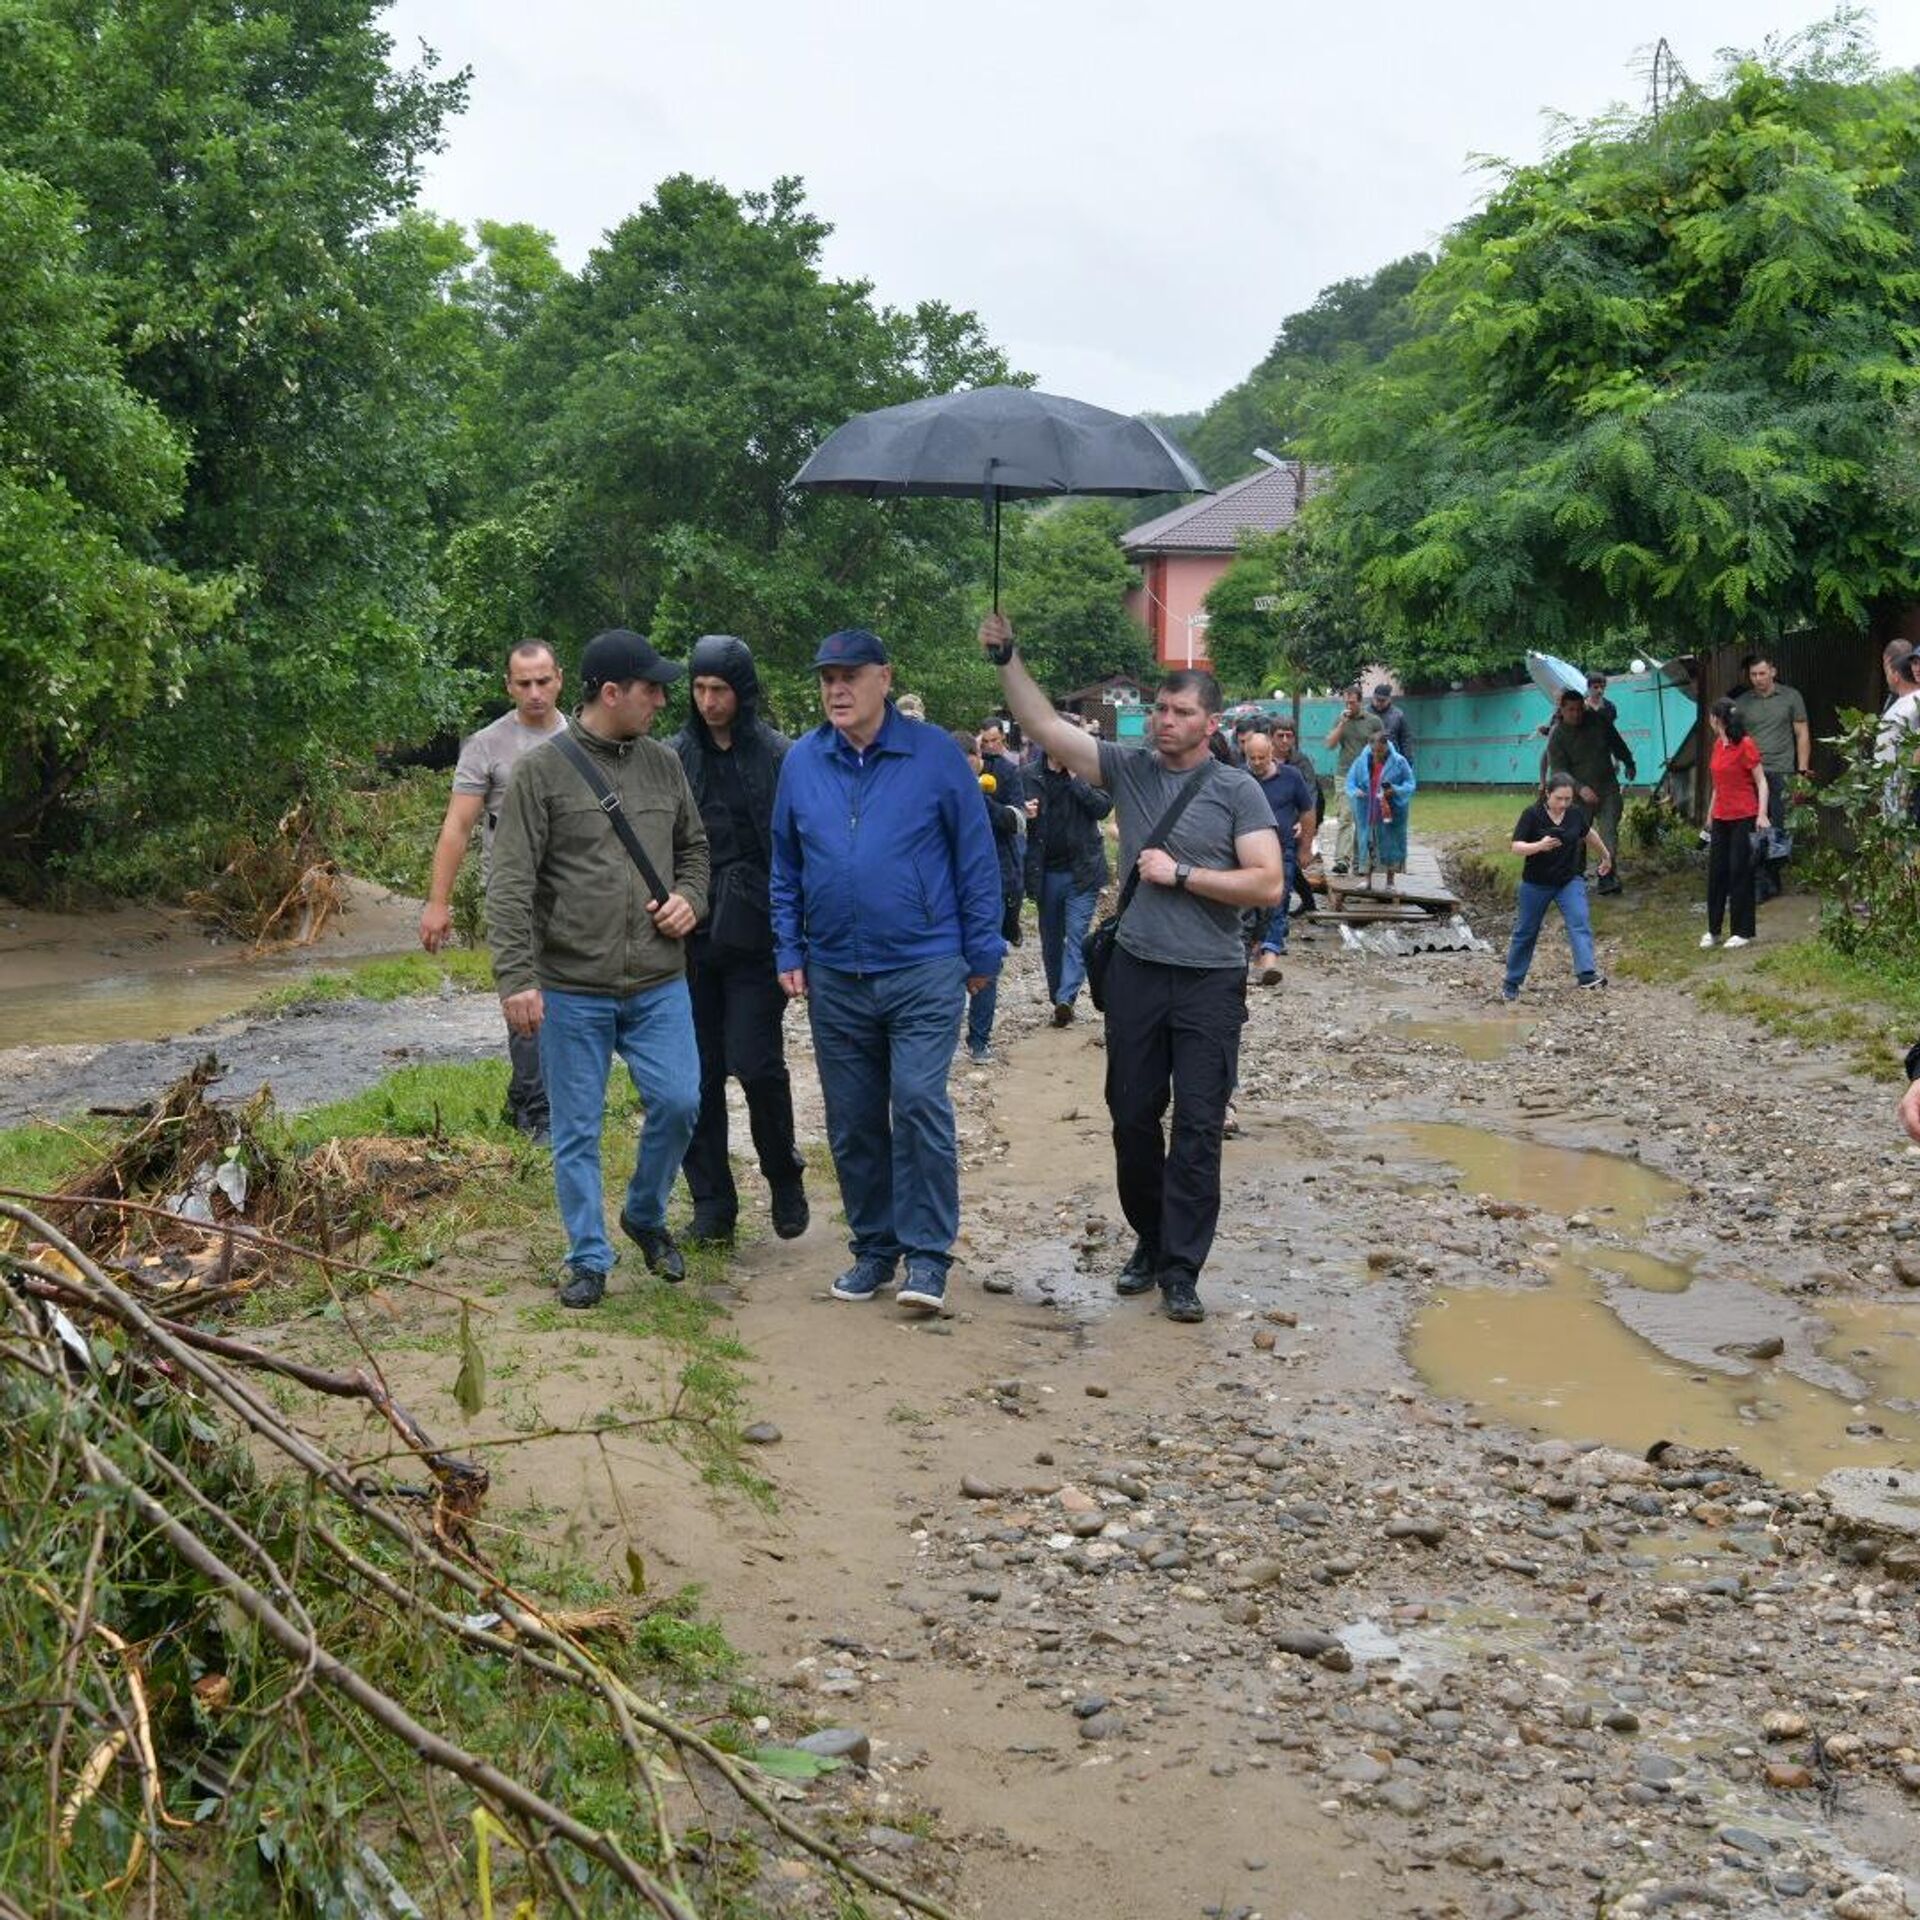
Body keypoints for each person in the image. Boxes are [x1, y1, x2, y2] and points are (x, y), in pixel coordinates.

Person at [978, 611, 1283, 1325]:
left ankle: (1182, 1268)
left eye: (1179, 712)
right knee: (1132, 1117)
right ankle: (1149, 1237)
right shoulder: (1129, 768)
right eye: (1159, 710)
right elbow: (1047, 727)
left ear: (1210, 724)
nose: (1163, 721)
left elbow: (1267, 883)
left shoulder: (1238, 791)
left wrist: (1182, 873)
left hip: (1210, 977)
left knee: (1200, 1125)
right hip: (1140, 972)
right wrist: (1007, 658)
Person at [771, 630, 1003, 1312]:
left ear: (884, 677)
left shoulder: (933, 756)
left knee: (920, 1101)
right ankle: (875, 1247)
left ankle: (928, 1256)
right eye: (826, 678)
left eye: (849, 676)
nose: (836, 690)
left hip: (925, 964)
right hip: (835, 971)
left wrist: (982, 950)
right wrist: (788, 947)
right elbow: (785, 863)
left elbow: (975, 856)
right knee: (851, 1119)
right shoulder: (803, 762)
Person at [488, 630, 709, 1309]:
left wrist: (689, 902)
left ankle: (643, 1212)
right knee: (576, 1128)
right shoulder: (541, 772)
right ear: (611, 693)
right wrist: (517, 978)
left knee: (679, 1102)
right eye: (653, 689)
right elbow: (509, 883)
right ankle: (588, 1257)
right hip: (570, 986)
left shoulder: (665, 766)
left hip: (657, 980)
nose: (664, 700)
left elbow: (695, 850)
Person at [669, 635, 808, 1249]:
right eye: (698, 689)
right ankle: (712, 1204)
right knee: (696, 1075)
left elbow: (799, 847)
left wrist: (798, 937)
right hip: (690, 936)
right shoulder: (673, 757)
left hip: (757, 935)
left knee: (756, 1064)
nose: (708, 701)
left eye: (719, 689)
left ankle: (784, 1175)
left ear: (741, 691)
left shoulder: (779, 755)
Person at [420, 640, 565, 1142]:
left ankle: (523, 1094)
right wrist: (438, 903)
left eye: (543, 681)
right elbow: (458, 826)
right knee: (525, 994)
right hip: (510, 891)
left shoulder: (582, 738)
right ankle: (538, 1111)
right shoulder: (486, 745)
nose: (534, 692)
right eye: (523, 683)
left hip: (572, 890)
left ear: (559, 680)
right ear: (508, 686)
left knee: (563, 999)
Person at [1023, 742, 1113, 1025]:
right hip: (1046, 871)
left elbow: (1102, 808)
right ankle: (1057, 996)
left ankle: (1066, 998)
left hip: (1082, 871)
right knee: (1051, 941)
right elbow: (1012, 811)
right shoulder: (1027, 775)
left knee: (1077, 938)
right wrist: (1023, 811)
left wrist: (1078, 780)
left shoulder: (1088, 772)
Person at [1501, 772, 1612, 1000]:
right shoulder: (1532, 815)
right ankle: (1512, 981)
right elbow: (1516, 847)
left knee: (1579, 921)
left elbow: (1589, 834)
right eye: (1559, 799)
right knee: (1525, 932)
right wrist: (1539, 846)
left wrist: (1606, 856)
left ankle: (1586, 974)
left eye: (1568, 799)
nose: (1563, 804)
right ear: (1547, 794)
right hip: (1536, 883)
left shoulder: (1574, 815)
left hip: (1568, 880)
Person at [955, 728, 1026, 1063]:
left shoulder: (1006, 774)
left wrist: (981, 799)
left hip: (992, 884)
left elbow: (1016, 820)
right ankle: (949, 1033)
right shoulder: (934, 794)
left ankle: (979, 1039)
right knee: (956, 962)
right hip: (955, 890)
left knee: (986, 961)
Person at [1240, 727, 1317, 983]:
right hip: (1245, 855)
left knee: (1278, 902)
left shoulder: (1292, 776)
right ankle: (1247, 952)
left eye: (1262, 757)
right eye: (1253, 758)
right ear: (1246, 755)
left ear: (1271, 753)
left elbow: (1307, 811)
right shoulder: (1239, 778)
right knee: (1247, 905)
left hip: (1283, 850)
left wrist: (1306, 847)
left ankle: (1270, 956)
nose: (1258, 762)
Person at [1732, 652, 1810, 901]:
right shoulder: (1742, 703)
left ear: (1773, 672)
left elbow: (1802, 734)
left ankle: (1771, 877)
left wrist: (1802, 772)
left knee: (1780, 829)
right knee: (1754, 828)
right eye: (1753, 675)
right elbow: (1734, 739)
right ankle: (1761, 882)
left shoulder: (1790, 696)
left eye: (1762, 673)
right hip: (1751, 773)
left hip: (1782, 771)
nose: (1757, 679)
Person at [1544, 688, 1634, 894]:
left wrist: (1629, 762)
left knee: (1608, 833)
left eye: (1579, 709)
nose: (1576, 714)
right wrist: (1580, 788)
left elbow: (1616, 742)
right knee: (1576, 838)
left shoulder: (1598, 721)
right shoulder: (1557, 736)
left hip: (1607, 788)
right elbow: (1558, 771)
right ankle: (1575, 877)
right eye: (1571, 710)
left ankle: (1607, 877)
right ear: (1562, 710)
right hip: (1577, 797)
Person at [1701, 696, 1769, 950]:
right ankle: (1713, 929)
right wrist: (1709, 814)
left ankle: (1742, 931)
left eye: (1710, 716)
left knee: (1739, 871)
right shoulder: (1718, 745)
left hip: (1744, 816)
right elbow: (1718, 785)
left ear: (1716, 719)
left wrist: (1761, 814)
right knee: (1717, 873)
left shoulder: (1746, 745)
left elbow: (1761, 782)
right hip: (1721, 816)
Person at [1322, 686, 1384, 873]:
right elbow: (1330, 745)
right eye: (1346, 702)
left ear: (1360, 701)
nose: (1349, 705)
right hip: (1344, 774)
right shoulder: (1341, 720)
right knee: (1345, 817)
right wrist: (1341, 724)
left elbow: (1382, 748)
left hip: (1367, 775)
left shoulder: (1373, 721)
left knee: (1363, 819)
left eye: (1352, 702)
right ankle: (1342, 860)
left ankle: (1361, 861)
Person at [1345, 730, 1416, 883]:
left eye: (1380, 751)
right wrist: (1355, 791)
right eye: (1374, 750)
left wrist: (1395, 790)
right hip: (1368, 809)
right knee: (1368, 842)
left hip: (1390, 810)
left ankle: (1390, 881)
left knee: (1391, 843)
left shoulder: (1399, 762)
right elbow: (1350, 782)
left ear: (1387, 747)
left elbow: (1410, 784)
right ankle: (1368, 880)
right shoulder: (1362, 762)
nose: (1377, 754)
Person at [1272, 719, 1323, 920]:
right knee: (1286, 864)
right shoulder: (1263, 760)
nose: (1285, 740)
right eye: (1280, 735)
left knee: (1289, 864)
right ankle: (1307, 901)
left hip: (1298, 820)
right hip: (1273, 823)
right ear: (1271, 737)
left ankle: (1280, 917)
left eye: (1289, 735)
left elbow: (1310, 795)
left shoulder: (1301, 762)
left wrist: (1305, 824)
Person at [1369, 682, 1412, 763]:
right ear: (1373, 698)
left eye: (1383, 700)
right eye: (1377, 700)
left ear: (1389, 699)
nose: (1379, 703)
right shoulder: (1366, 713)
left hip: (1391, 760)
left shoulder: (1398, 715)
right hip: (1369, 760)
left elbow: (1405, 740)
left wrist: (1407, 761)